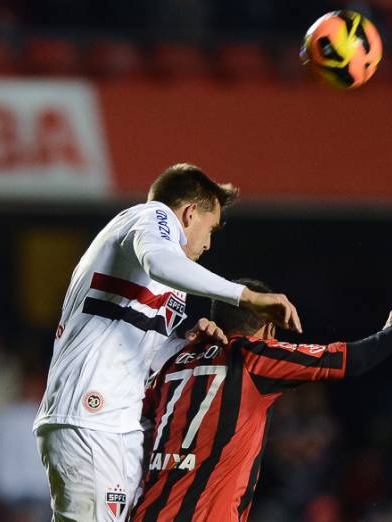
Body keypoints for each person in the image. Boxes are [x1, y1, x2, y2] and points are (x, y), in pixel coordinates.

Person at [34, 164, 302, 522]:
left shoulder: (164, 278)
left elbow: (142, 350)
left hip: (116, 425)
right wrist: (247, 297)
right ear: (190, 213)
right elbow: (160, 261)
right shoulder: (149, 217)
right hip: (92, 419)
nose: (208, 244)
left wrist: (182, 342)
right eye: (211, 229)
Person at [130, 278, 392, 521]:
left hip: (146, 513)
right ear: (269, 328)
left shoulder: (176, 361)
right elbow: (349, 360)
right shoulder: (252, 356)